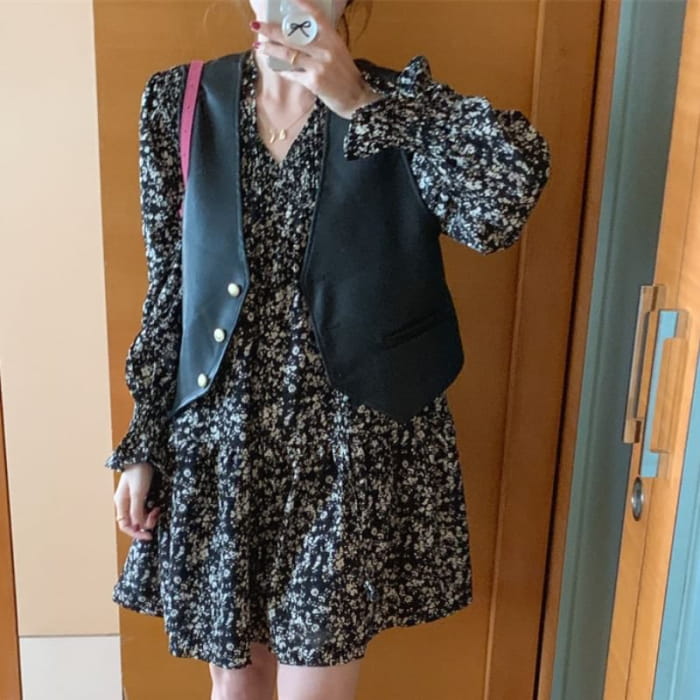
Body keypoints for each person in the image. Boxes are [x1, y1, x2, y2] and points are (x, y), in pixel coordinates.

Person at [105, 0, 551, 697]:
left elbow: (499, 209)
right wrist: (144, 442)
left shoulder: (402, 100)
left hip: (351, 446)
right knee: (237, 684)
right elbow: (171, 286)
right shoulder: (179, 100)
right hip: (224, 438)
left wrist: (366, 105)